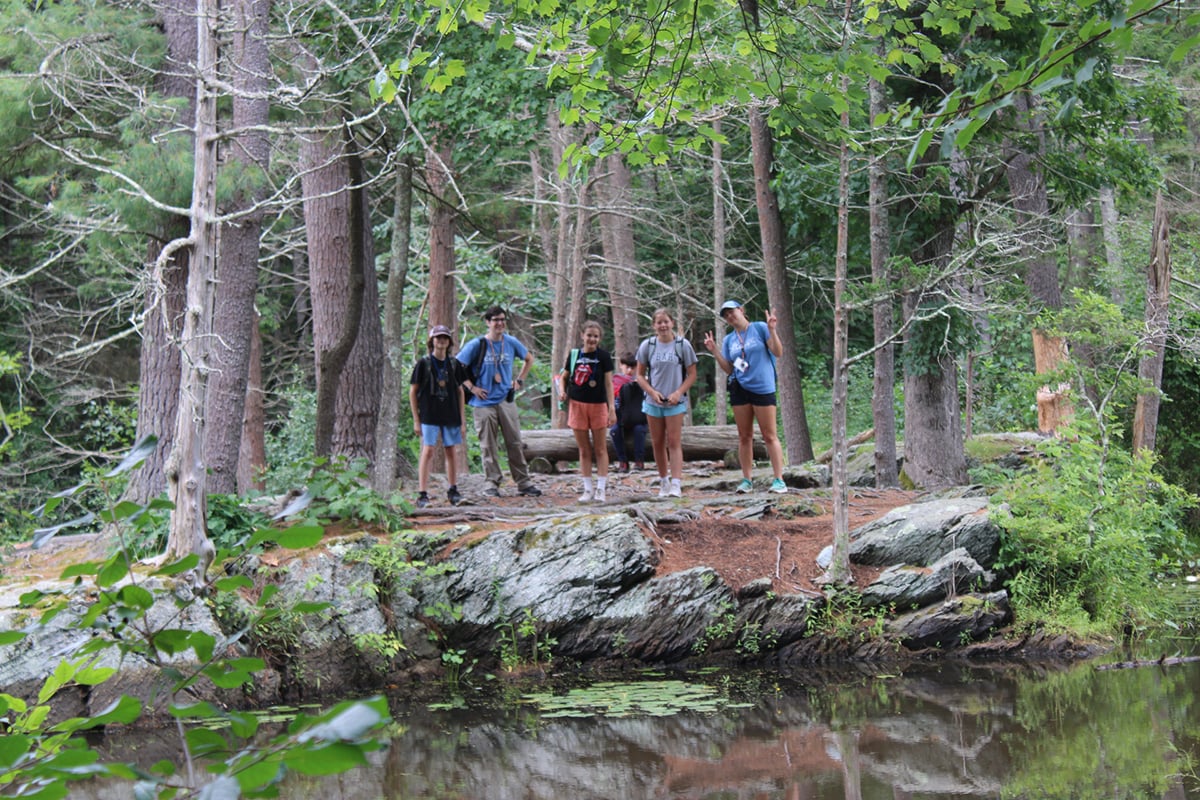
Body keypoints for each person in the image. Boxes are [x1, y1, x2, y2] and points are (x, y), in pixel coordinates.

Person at [456, 306, 542, 498]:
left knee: (514, 442)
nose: (500, 323)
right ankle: (491, 483)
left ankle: (523, 482)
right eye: (495, 320)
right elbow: (457, 367)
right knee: (488, 445)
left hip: (506, 400)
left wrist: (519, 380)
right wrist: (472, 387)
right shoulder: (477, 345)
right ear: (488, 322)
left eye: (502, 319)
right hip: (483, 404)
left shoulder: (510, 342)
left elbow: (529, 359)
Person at [703, 300, 787, 494]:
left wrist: (772, 330)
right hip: (739, 388)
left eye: (732, 312)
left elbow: (778, 352)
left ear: (741, 310)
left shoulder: (759, 328)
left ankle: (779, 479)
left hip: (763, 387)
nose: (730, 317)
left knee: (769, 435)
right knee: (744, 436)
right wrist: (714, 350)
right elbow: (729, 368)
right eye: (726, 315)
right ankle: (747, 480)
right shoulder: (730, 340)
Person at [409, 324, 474, 508]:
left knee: (451, 451)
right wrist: (416, 419)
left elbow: (460, 391)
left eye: (445, 338)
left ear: (449, 342)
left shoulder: (454, 364)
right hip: (429, 414)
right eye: (438, 338)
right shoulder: (423, 364)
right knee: (428, 451)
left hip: (450, 413)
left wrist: (462, 420)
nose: (441, 341)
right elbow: (413, 391)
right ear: (432, 341)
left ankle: (453, 490)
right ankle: (422, 494)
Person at [635, 308, 698, 498]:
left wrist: (679, 392)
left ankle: (676, 484)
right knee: (657, 442)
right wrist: (652, 392)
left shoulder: (682, 345)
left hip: (675, 402)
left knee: (674, 442)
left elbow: (692, 373)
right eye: (659, 322)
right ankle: (663, 482)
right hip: (653, 402)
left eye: (666, 322)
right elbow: (639, 374)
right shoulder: (648, 346)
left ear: (672, 323)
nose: (663, 326)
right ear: (654, 326)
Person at [557, 320, 616, 502]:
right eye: (589, 335)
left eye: (595, 336)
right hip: (577, 405)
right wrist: (561, 391)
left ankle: (601, 489)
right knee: (583, 449)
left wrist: (611, 408)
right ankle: (587, 489)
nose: (592, 339)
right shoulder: (574, 355)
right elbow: (563, 377)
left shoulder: (604, 357)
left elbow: (608, 383)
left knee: (600, 448)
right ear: (582, 335)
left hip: (598, 406)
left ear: (599, 339)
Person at [610, 353, 647, 472]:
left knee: (639, 430)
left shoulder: (642, 381)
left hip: (639, 418)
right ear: (621, 366)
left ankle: (639, 461)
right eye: (627, 367)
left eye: (633, 367)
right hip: (620, 418)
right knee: (615, 431)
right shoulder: (615, 381)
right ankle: (622, 461)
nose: (630, 370)